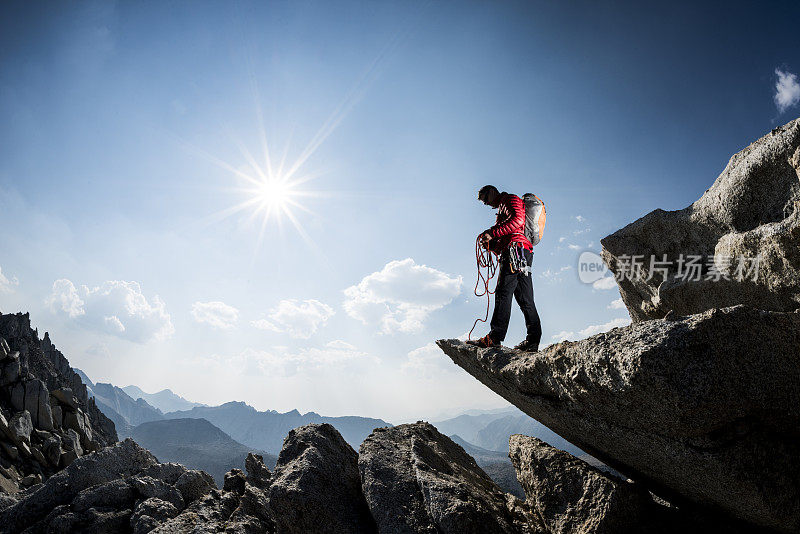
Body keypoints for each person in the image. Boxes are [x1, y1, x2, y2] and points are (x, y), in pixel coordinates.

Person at [467, 185, 542, 351]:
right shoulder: (504, 206)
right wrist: (493, 246)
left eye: (485, 199)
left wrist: (492, 233)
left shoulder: (510, 200)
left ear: (492, 191)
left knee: (503, 293)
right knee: (525, 298)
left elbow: (517, 221)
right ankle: (533, 341)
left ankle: (494, 338)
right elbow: (510, 230)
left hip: (514, 250)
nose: (486, 204)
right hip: (522, 251)